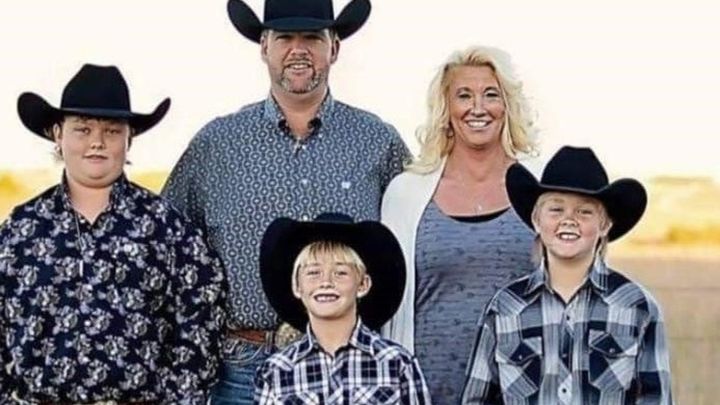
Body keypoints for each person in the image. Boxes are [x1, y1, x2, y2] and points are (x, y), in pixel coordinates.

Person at [161, 0, 409, 402]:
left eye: (312, 37)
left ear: (334, 48)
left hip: (351, 368)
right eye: (284, 38)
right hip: (242, 367)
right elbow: (165, 246)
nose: (298, 50)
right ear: (264, 47)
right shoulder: (216, 145)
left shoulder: (377, 142)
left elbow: (413, 236)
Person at [0, 64, 226, 404]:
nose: (97, 142)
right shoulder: (20, 231)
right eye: (82, 129)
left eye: (111, 130)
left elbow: (203, 320)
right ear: (57, 134)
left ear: (128, 138)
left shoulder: (167, 229)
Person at [381, 46, 538, 402]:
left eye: (491, 95)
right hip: (428, 389)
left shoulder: (540, 187)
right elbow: (389, 304)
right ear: (446, 108)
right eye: (464, 95)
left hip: (525, 389)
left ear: (508, 105)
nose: (477, 108)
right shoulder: (406, 194)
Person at [461, 146, 673, 404]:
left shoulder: (637, 307)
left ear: (604, 225)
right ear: (537, 220)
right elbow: (476, 399)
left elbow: (656, 398)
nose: (569, 220)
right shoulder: (505, 308)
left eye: (584, 211)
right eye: (556, 209)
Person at [254, 213, 431, 404]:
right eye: (313, 272)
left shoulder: (396, 364)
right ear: (297, 286)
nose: (326, 282)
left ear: (363, 284)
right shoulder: (276, 370)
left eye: (340, 273)